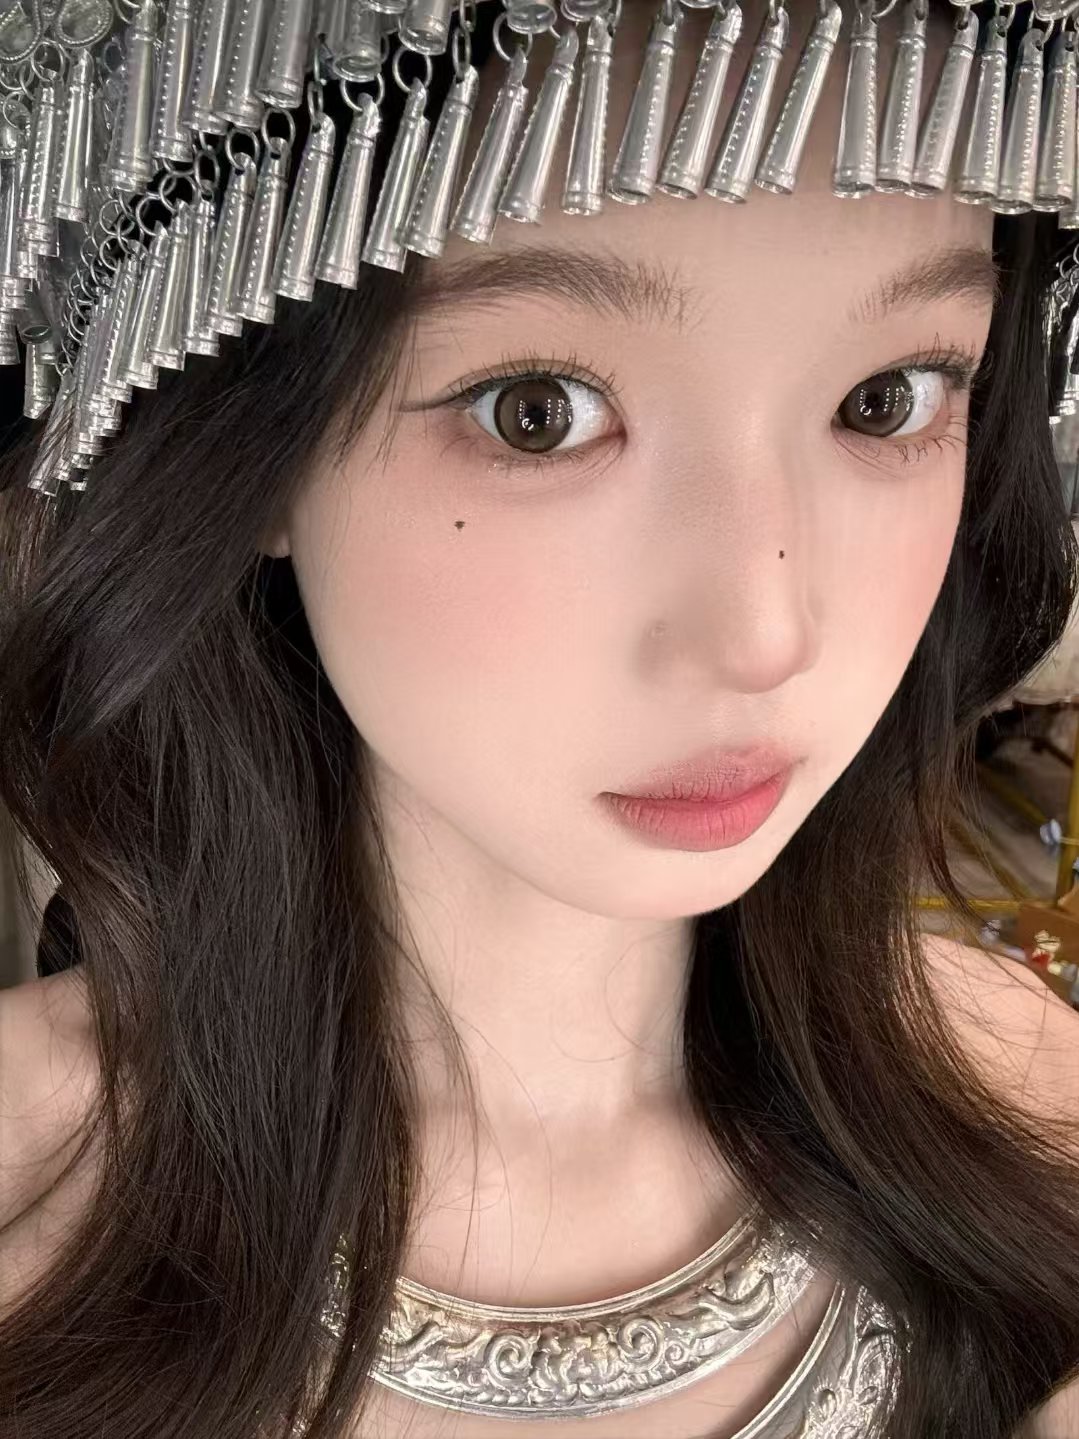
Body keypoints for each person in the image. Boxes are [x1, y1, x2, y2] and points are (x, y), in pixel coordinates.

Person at [2, 0, 1079, 1433]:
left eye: (888, 399)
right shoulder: (27, 1182)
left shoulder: (1024, 1091)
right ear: (250, 445)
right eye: (537, 411)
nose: (765, 633)